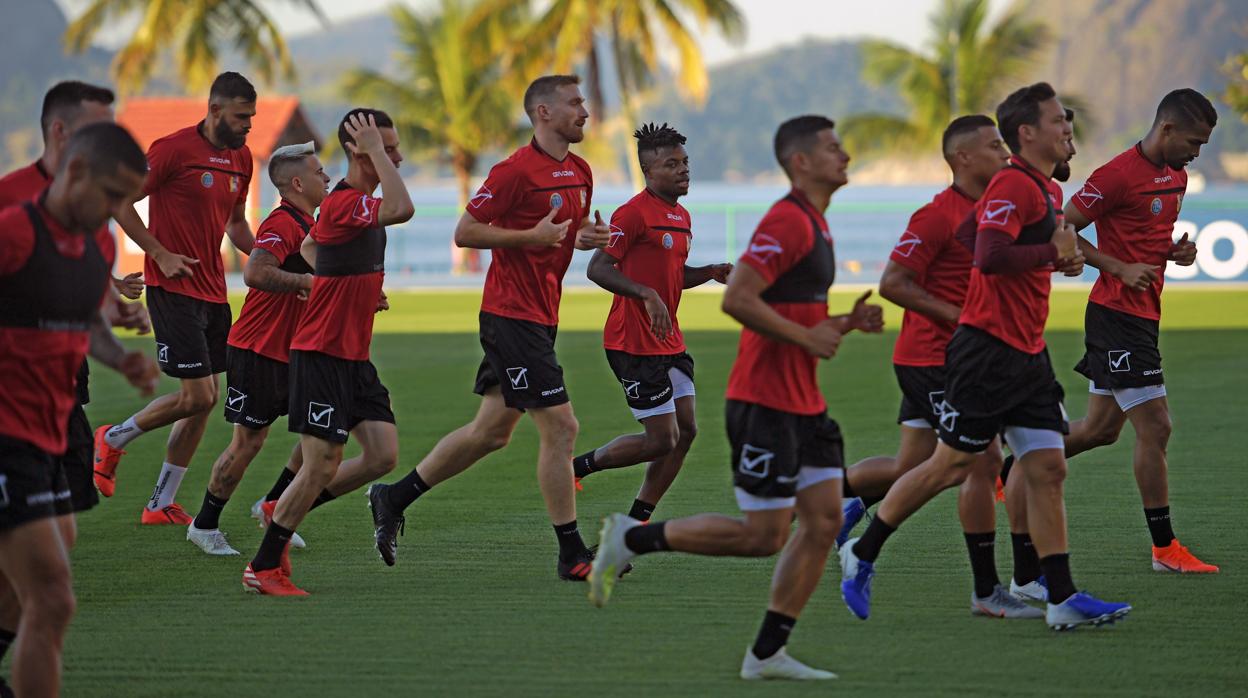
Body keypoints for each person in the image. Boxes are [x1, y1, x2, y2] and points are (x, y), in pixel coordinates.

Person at [589, 116, 884, 680]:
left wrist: (844, 321)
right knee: (761, 537)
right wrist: (810, 336)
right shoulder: (787, 221)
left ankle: (767, 653)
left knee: (822, 524)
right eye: (832, 148)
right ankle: (633, 537)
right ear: (801, 162)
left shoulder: (816, 225)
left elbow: (792, 313)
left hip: (806, 402)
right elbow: (740, 301)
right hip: (766, 402)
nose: (845, 155)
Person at [839, 82, 1132, 631]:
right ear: (1028, 132)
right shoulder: (1015, 184)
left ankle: (1061, 597)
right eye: (1055, 121)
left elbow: (979, 238)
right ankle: (864, 550)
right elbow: (992, 255)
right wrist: (1051, 252)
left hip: (1026, 352)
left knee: (1045, 468)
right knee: (951, 466)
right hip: (987, 352)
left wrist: (1052, 258)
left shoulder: (1037, 189)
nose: (1066, 128)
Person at [365, 75, 611, 580]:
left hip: (541, 317)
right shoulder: (514, 171)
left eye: (583, 102)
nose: (584, 111)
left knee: (491, 432)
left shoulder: (581, 171)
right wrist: (529, 235)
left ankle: (393, 497)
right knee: (562, 427)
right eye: (574, 103)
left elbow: (559, 236)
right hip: (511, 316)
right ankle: (572, 554)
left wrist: (583, 236)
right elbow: (465, 232)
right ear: (542, 113)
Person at [836, 114, 1043, 617]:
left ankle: (832, 503)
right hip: (935, 359)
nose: (1005, 153)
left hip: (964, 356)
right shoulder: (936, 215)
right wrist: (964, 318)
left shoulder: (1002, 207)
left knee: (916, 467)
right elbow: (894, 283)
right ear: (962, 159)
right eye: (994, 146)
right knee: (981, 461)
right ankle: (987, 590)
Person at [0, 81, 153, 691]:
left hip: (49, 429)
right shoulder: (13, 230)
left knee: (32, 577)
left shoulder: (98, 242)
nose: (119, 210)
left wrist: (122, 360)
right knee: (54, 597)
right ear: (77, 167)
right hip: (4, 433)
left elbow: (85, 318)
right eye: (114, 195)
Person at [242, 109, 413, 595]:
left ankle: (288, 506)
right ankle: (264, 565)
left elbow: (316, 248)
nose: (396, 156)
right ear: (361, 151)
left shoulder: (350, 207)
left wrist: (351, 289)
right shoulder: (346, 202)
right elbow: (403, 210)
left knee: (381, 455)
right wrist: (377, 155)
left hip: (353, 356)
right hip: (320, 354)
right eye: (387, 147)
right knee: (321, 463)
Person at [1061, 88, 1218, 573]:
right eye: (1193, 141)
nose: (1196, 153)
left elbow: (1149, 237)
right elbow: (1062, 227)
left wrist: (1175, 252)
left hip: (1143, 314)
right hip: (1116, 314)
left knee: (1101, 430)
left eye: (1203, 145)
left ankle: (1011, 457)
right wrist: (1117, 268)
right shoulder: (1115, 175)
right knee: (1157, 426)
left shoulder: (1177, 176)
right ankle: (1164, 548)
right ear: (1166, 129)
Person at [93, 72, 258, 525]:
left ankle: (160, 504)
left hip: (214, 294)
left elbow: (237, 225)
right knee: (197, 394)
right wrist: (160, 254)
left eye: (252, 117)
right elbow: (121, 204)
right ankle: (112, 437)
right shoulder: (173, 150)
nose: (248, 126)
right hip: (172, 290)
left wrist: (275, 257)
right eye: (242, 117)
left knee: (206, 398)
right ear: (216, 109)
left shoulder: (242, 159)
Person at [574, 122, 731, 521]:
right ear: (649, 171)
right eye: (671, 164)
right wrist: (645, 293)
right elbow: (597, 268)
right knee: (662, 440)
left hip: (670, 343)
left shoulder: (681, 216)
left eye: (685, 162)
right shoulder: (631, 214)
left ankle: (637, 519)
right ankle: (578, 467)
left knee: (686, 431)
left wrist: (710, 271)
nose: (683, 170)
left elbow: (674, 275)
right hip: (633, 344)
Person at [186, 142, 330, 555]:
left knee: (323, 430)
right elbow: (255, 271)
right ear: (298, 183)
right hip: (258, 349)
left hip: (300, 349)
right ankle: (204, 524)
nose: (327, 178)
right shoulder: (283, 223)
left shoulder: (313, 223)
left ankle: (272, 503)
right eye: (320, 172)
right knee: (248, 443)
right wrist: (307, 284)